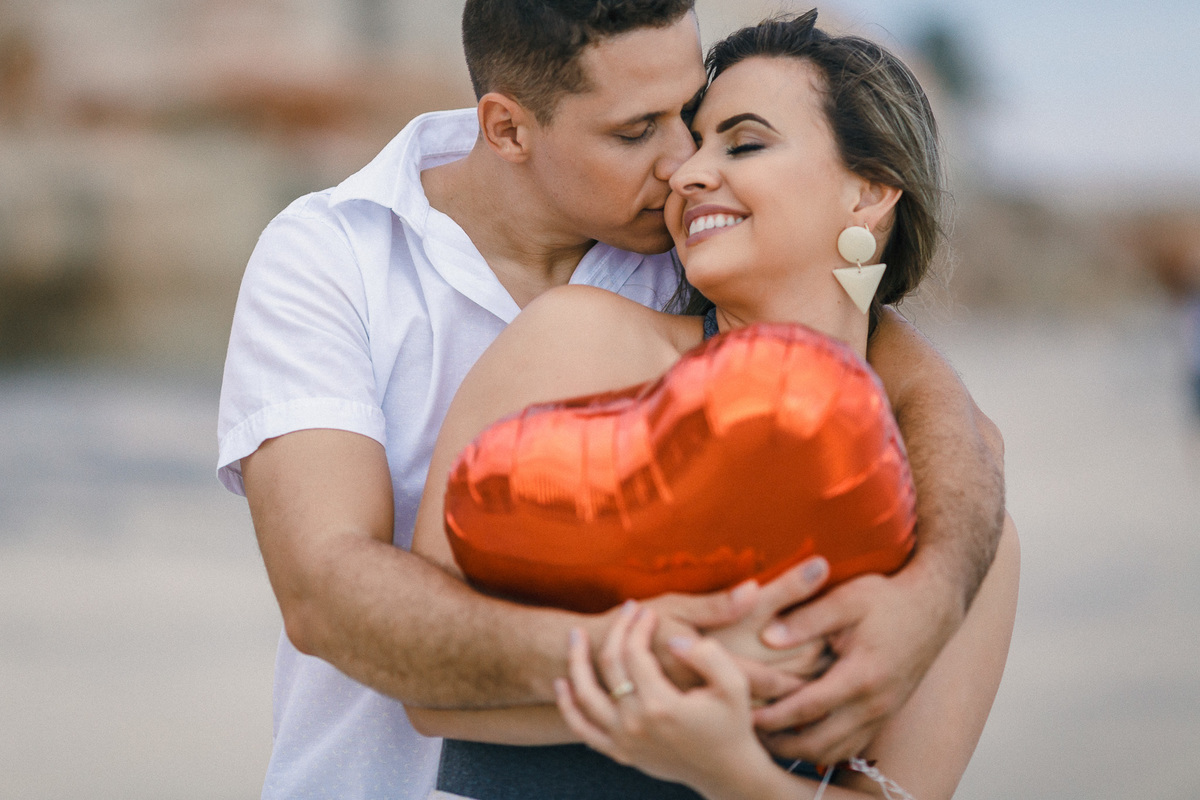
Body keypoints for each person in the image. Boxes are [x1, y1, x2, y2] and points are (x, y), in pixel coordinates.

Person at [216, 2, 1006, 798]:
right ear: (509, 130)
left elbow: (902, 385)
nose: (683, 166)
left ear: (869, 194)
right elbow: (325, 592)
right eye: (637, 131)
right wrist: (681, 669)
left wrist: (935, 593)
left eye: (697, 124)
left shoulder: (678, 251)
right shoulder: (335, 257)